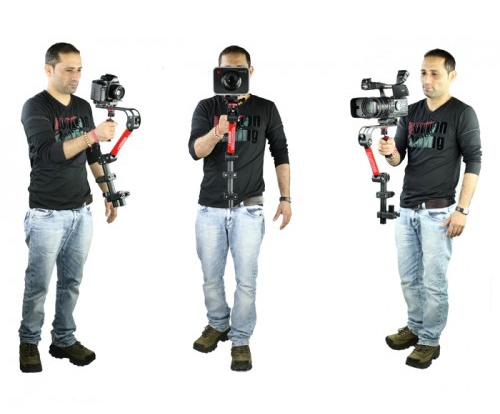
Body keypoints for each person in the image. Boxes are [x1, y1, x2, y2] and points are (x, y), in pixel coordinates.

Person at [188, 45, 292, 371]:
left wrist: (286, 198)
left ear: (251, 71)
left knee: (246, 280)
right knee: (211, 277)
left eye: (239, 70)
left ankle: (241, 339)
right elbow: (195, 150)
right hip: (211, 208)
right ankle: (218, 324)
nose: (233, 76)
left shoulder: (266, 108)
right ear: (218, 72)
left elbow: (281, 152)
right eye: (227, 71)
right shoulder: (207, 106)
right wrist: (217, 130)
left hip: (248, 208)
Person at [18, 42, 118, 373]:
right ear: (49, 69)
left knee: (71, 281)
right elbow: (48, 153)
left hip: (81, 211)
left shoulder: (83, 106)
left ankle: (63, 339)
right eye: (68, 70)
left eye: (79, 70)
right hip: (46, 213)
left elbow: (92, 155)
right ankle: (29, 342)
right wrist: (92, 135)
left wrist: (108, 192)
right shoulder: (35, 107)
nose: (75, 77)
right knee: (38, 284)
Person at [379, 49, 482, 369]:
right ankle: (415, 326)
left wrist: (462, 209)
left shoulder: (462, 113)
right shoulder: (410, 112)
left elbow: (474, 161)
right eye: (423, 72)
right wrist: (388, 152)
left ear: (452, 76)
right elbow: (397, 159)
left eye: (435, 73)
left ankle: (430, 340)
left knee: (433, 282)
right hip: (407, 210)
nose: (427, 79)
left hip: (439, 213)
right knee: (409, 278)